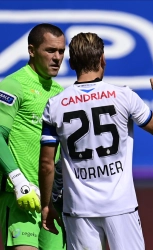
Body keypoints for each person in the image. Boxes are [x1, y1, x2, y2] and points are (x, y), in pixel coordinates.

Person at [38, 32, 153, 250]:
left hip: (79, 210)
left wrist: (46, 203)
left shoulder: (55, 104)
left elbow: (46, 165)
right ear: (102, 59)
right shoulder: (123, 95)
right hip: (121, 206)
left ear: (71, 63)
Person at [0, 23, 66, 249]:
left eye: (61, 52)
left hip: (52, 203)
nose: (57, 57)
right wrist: (18, 181)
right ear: (31, 50)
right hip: (21, 198)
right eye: (50, 51)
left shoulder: (60, 93)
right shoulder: (13, 85)